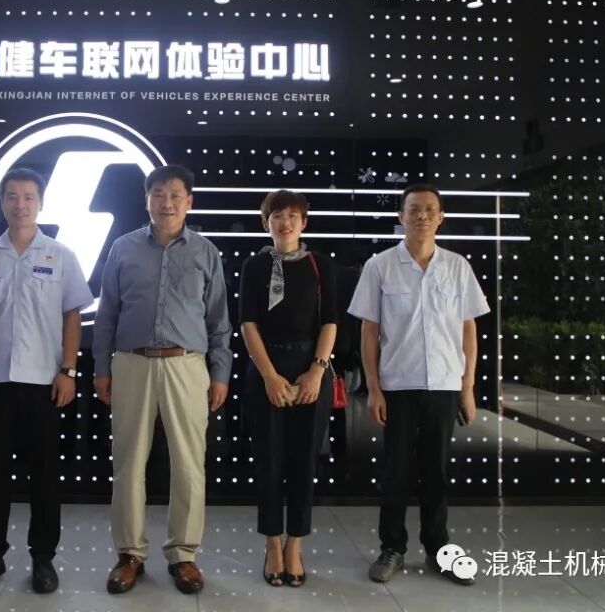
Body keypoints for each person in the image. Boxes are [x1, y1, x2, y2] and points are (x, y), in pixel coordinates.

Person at [0, 167, 92, 595]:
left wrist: (68, 371)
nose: (21, 204)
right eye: (12, 197)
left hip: (44, 383)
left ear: (41, 204)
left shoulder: (60, 255)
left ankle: (43, 558)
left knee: (44, 477)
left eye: (29, 197)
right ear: (2, 203)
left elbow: (72, 317)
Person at [92, 164, 231, 595]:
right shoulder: (123, 248)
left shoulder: (206, 252)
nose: (166, 203)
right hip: (131, 364)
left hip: (186, 366)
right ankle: (129, 554)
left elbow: (219, 322)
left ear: (189, 201)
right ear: (146, 199)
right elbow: (107, 314)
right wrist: (101, 368)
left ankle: (183, 554)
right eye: (158, 194)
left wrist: (220, 373)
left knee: (188, 464)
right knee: (128, 463)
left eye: (174, 195)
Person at [347, 183, 490, 585]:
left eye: (430, 210)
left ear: (440, 217)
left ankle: (438, 548)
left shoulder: (457, 267)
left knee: (436, 472)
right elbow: (369, 331)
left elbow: (468, 330)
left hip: (444, 384)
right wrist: (374, 388)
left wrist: (467, 387)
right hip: (398, 385)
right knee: (396, 471)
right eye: (414, 209)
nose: (422, 216)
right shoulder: (380, 266)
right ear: (401, 217)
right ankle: (392, 547)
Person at [239, 189, 337, 588]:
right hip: (267, 371)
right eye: (277, 215)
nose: (285, 222)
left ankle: (295, 543)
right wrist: (269, 376)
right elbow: (248, 324)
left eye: (293, 216)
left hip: (311, 371)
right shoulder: (254, 265)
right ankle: (272, 544)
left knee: (303, 461)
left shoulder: (320, 264)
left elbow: (330, 322)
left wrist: (316, 371)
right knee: (269, 461)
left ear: (304, 223)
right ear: (266, 222)